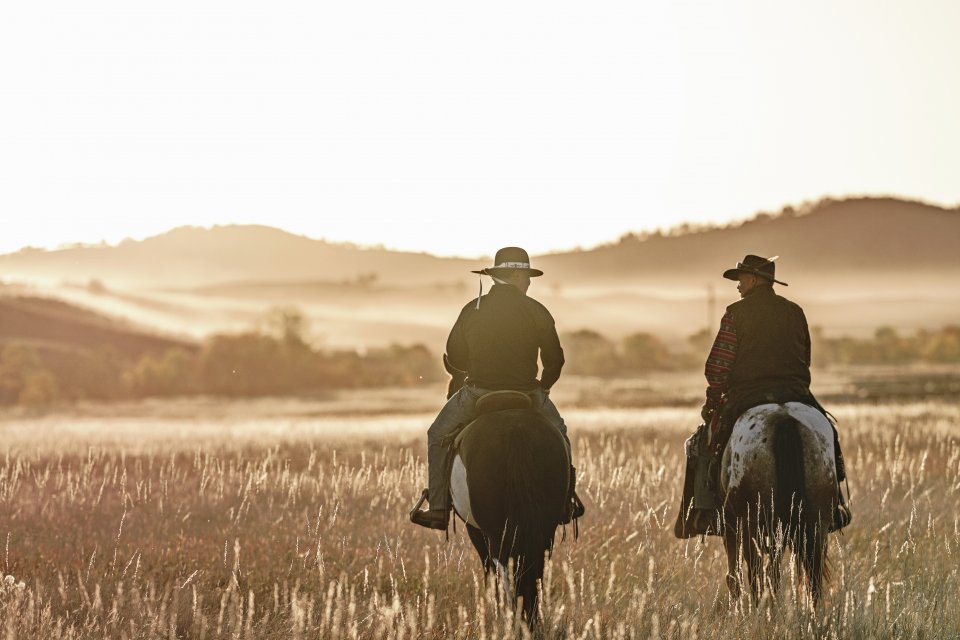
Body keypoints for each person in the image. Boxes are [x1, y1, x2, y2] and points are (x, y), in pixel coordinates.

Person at [675, 254, 851, 537]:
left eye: (741, 279)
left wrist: (713, 398)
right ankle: (834, 506)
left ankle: (702, 514)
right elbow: (804, 358)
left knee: (701, 444)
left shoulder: (735, 313)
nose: (738, 286)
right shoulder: (795, 311)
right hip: (795, 391)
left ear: (754, 280)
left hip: (747, 394)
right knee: (828, 434)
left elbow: (717, 366)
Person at [410, 247, 581, 530]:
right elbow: (555, 360)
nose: (528, 282)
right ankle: (565, 501)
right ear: (515, 275)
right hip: (527, 393)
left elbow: (455, 358)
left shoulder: (472, 310)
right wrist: (543, 389)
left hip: (478, 392)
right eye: (526, 277)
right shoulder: (536, 310)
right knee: (560, 434)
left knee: (437, 435)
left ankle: (439, 508)